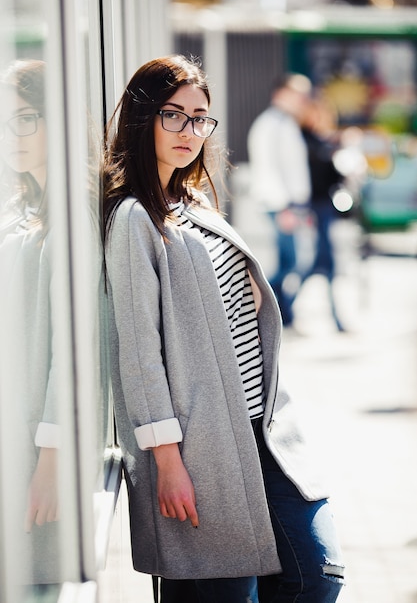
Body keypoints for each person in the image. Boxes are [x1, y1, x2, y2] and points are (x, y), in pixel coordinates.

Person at [102, 55, 345, 603]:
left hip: (263, 429)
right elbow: (139, 351)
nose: (190, 130)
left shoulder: (191, 202)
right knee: (229, 590)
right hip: (201, 445)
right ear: (143, 118)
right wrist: (166, 461)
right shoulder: (134, 218)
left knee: (317, 574)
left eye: (200, 118)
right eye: (174, 115)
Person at [0, 59, 60, 586]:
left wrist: (51, 460)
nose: (10, 134)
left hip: (33, 445)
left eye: (25, 118)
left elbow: (75, 352)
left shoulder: (74, 214)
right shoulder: (23, 205)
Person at [247, 74, 312, 327]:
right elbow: (268, 168)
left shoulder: (287, 123)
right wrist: (284, 206)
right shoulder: (269, 125)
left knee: (291, 261)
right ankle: (267, 312)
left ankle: (280, 315)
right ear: (280, 94)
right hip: (280, 204)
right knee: (291, 261)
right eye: (297, 93)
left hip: (291, 205)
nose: (302, 99)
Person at [300, 96, 346, 332]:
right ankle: (284, 305)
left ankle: (336, 318)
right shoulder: (303, 139)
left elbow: (335, 178)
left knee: (325, 263)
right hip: (311, 208)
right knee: (315, 263)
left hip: (326, 207)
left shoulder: (325, 141)